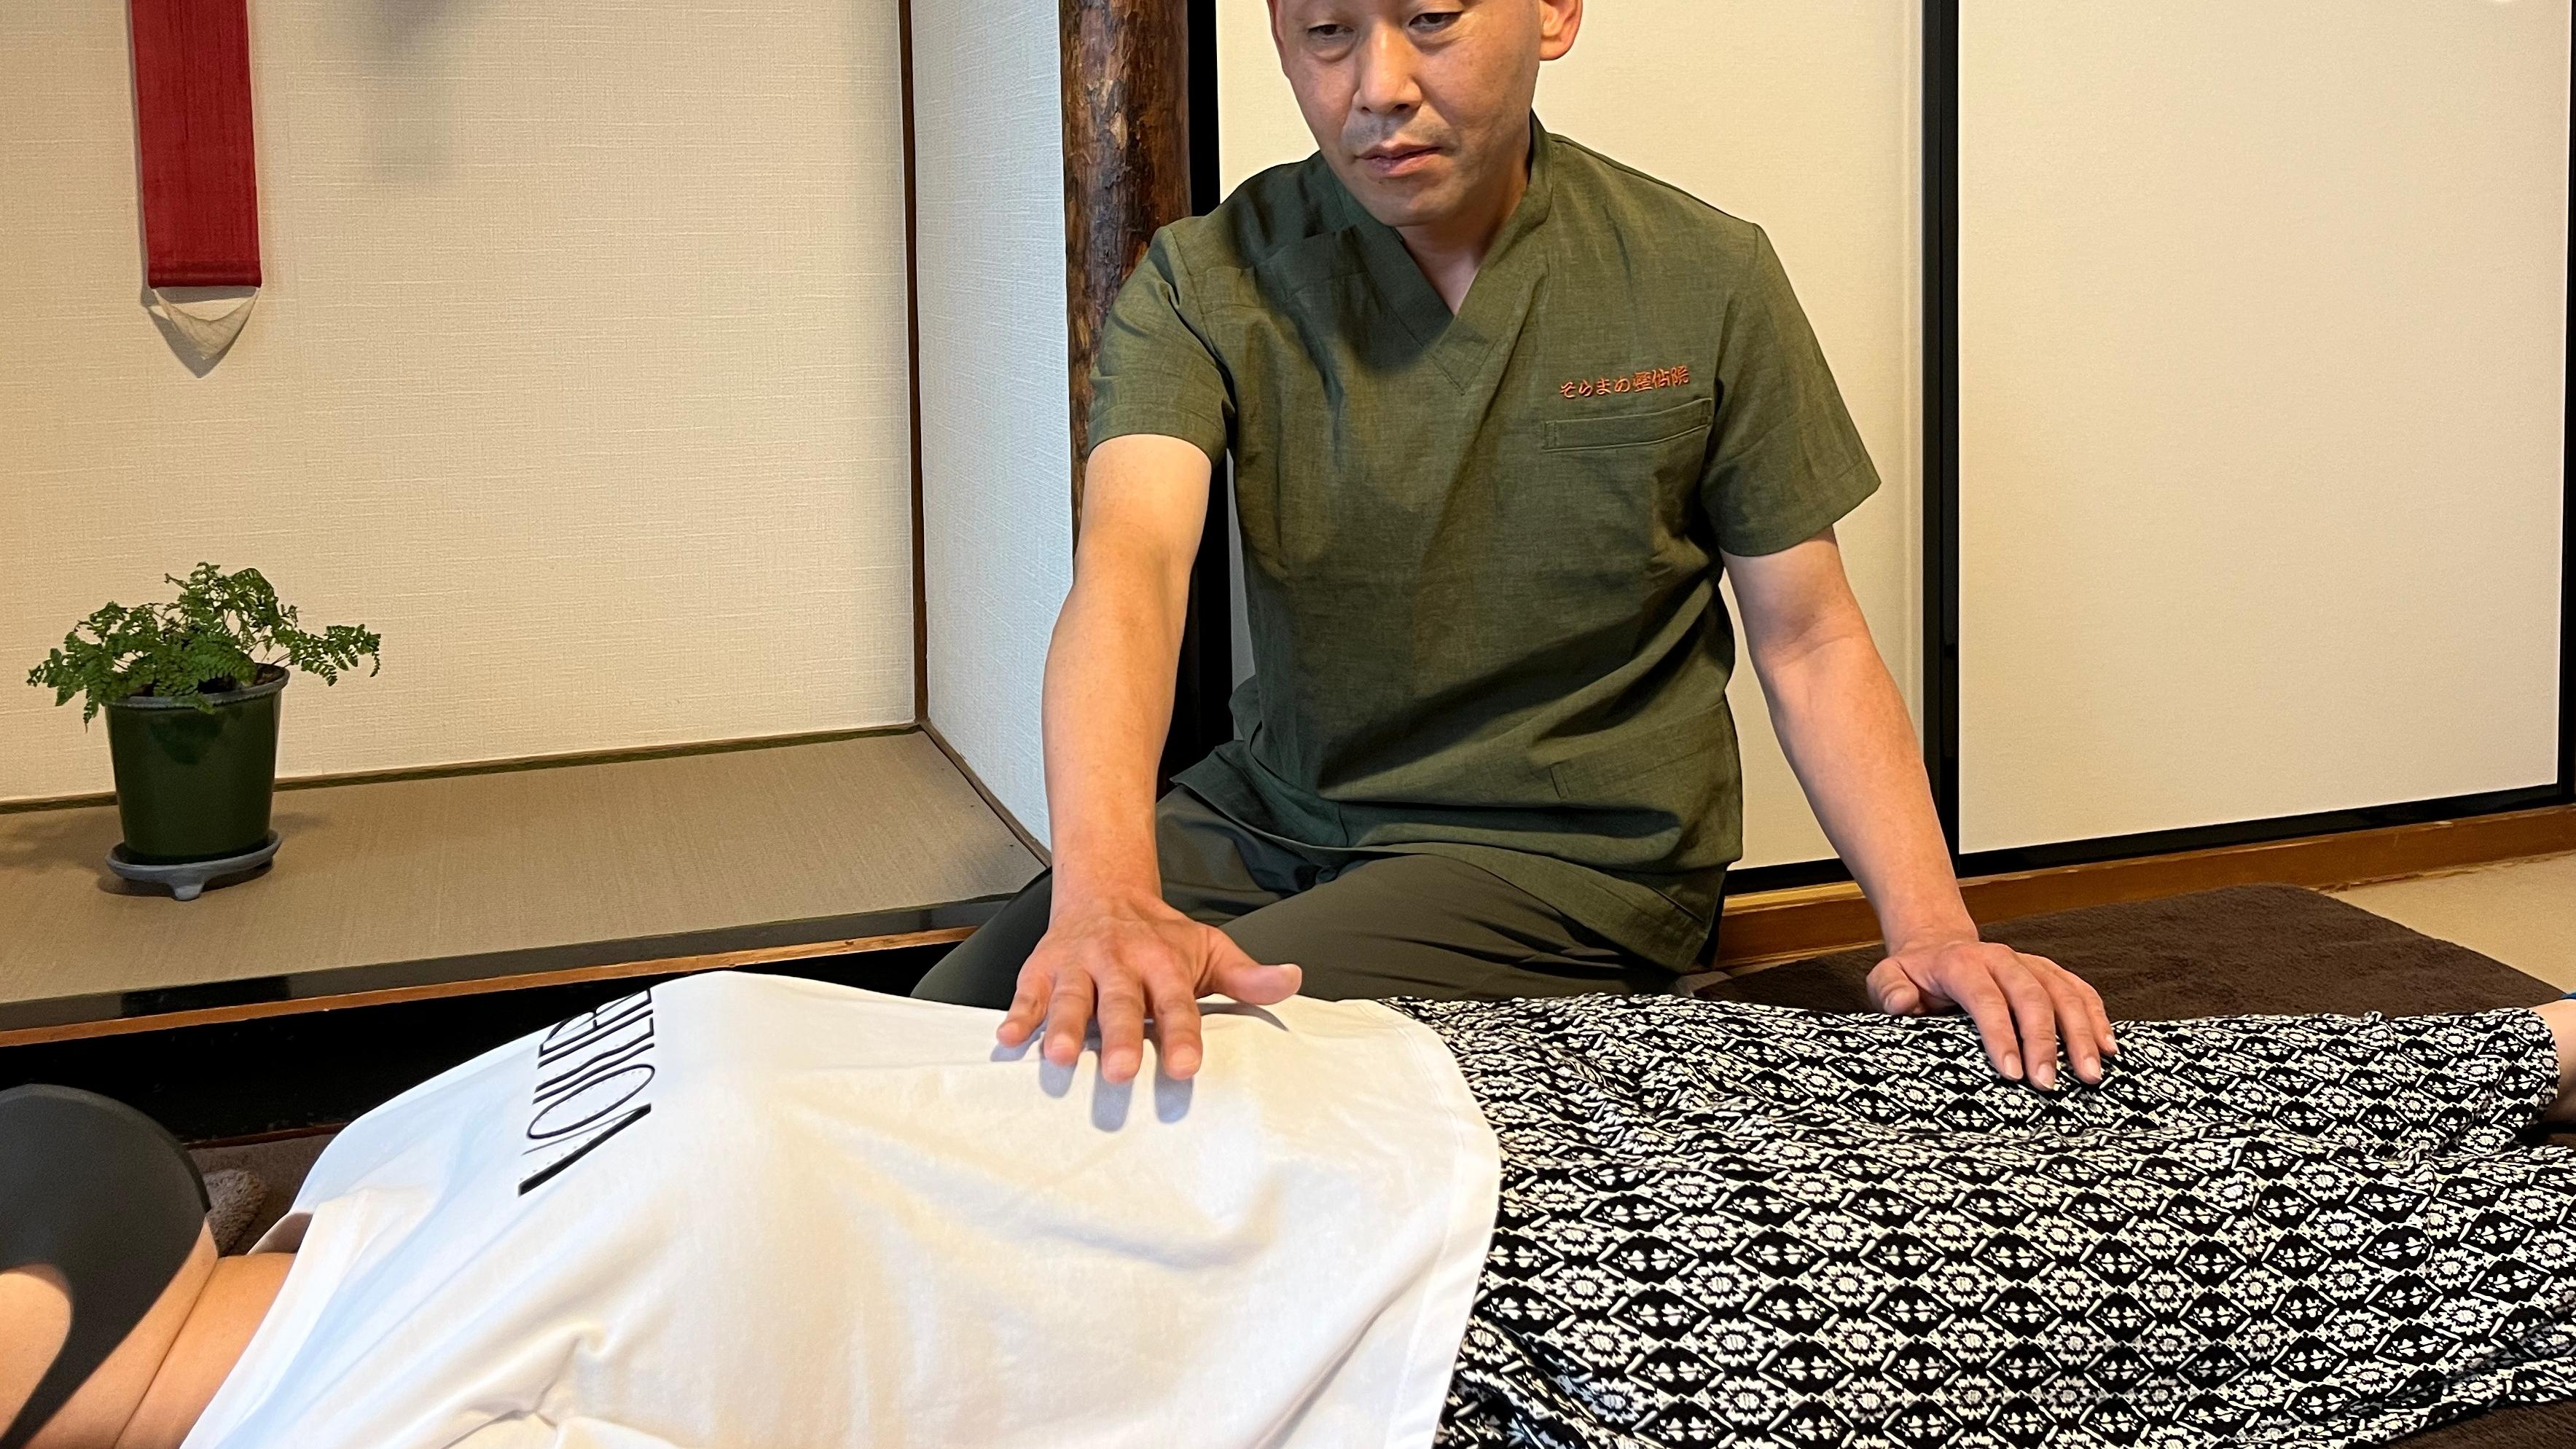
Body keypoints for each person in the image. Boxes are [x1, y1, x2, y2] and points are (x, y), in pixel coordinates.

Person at [909, 0, 2117, 1096]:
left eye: (1431, 19)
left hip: (1566, 853)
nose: (1377, 85)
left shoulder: (1703, 275)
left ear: (1553, 11)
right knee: (943, 1031)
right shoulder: (1209, 279)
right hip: (1278, 812)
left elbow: (1810, 639)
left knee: (1188, 1054)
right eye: (1327, 33)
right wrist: (1105, 892)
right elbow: (1130, 571)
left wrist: (1934, 929)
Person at [9, 971, 2576, 1448]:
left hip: (1429, 1074)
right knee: (2275, 1274)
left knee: (2114, 1087)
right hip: (1491, 1317)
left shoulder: (357, 1179)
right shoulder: (359, 1428)